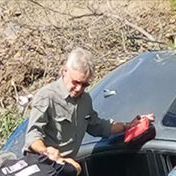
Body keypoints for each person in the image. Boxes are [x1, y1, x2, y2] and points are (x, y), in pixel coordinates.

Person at [24, 47, 153, 160]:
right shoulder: (47, 96)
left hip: (67, 166)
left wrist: (128, 126)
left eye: (84, 85)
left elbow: (98, 126)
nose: (79, 88)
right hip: (44, 164)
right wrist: (46, 152)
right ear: (64, 72)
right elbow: (32, 137)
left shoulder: (85, 100)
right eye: (76, 82)